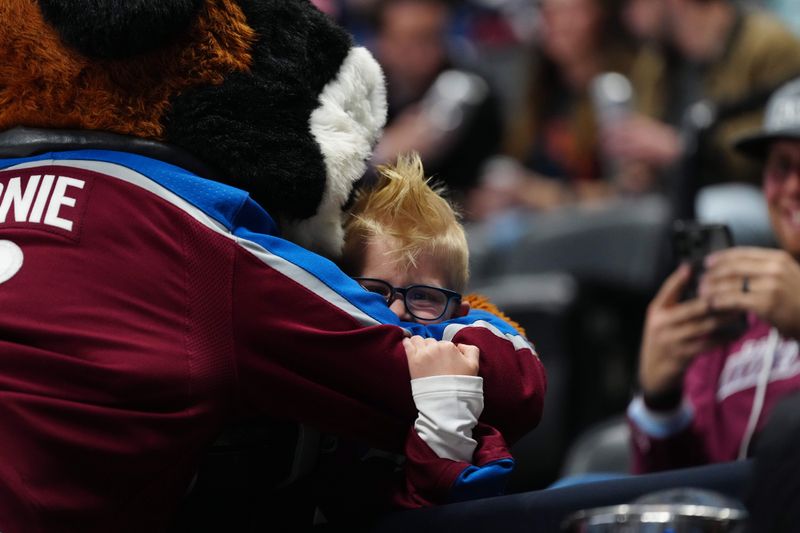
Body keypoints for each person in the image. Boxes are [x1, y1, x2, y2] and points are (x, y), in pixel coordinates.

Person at [311, 153, 531, 527]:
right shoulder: (321, 338)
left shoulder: (472, 342)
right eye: (374, 292)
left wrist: (448, 392)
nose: (396, 312)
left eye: (424, 297)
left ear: (457, 310)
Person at [627, 76, 800, 474]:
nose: (791, 186)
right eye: (781, 166)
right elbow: (669, 488)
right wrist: (660, 400)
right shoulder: (730, 313)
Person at [606, 0, 800, 205]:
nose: (627, 15)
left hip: (754, 194)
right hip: (672, 195)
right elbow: (643, 136)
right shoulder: (655, 61)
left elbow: (779, 147)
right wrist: (639, 168)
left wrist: (684, 150)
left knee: (715, 207)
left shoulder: (769, 45)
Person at [367, 0, 505, 207]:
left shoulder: (465, 87)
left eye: (433, 37)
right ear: (383, 43)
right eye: (412, 40)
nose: (425, 52)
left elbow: (398, 156)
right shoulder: (363, 90)